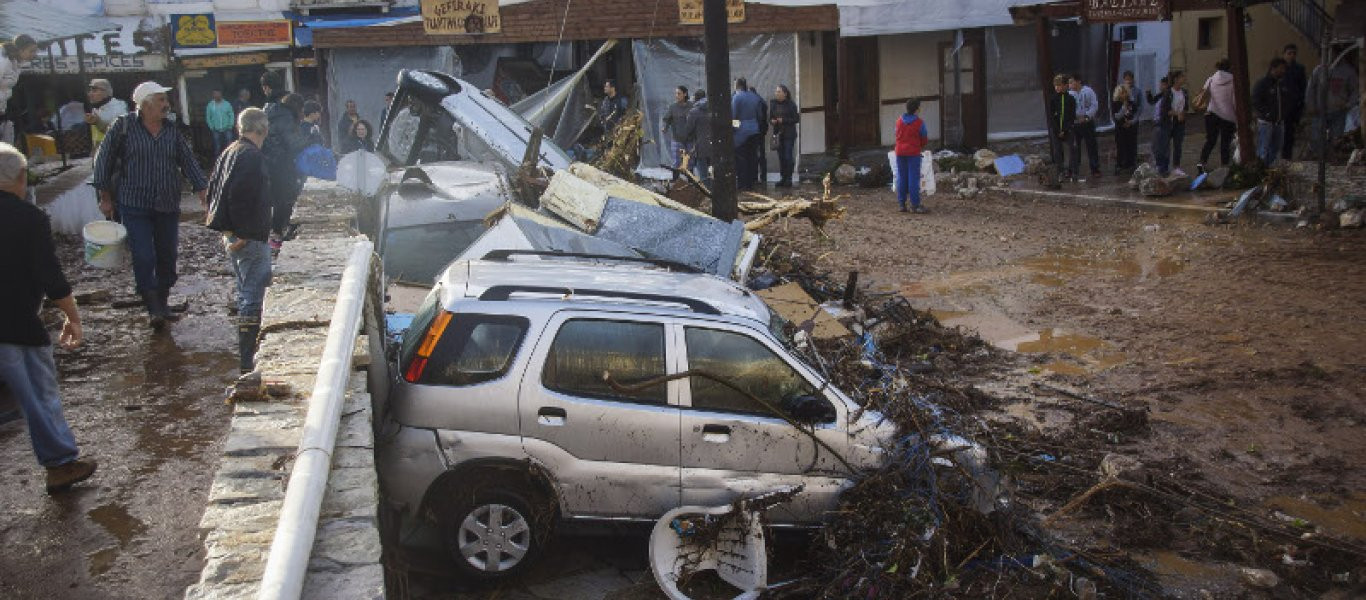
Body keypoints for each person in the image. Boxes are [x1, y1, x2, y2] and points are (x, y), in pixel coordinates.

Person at [0, 142, 98, 493]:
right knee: (40, 395)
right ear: (21, 177)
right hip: (15, 324)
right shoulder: (29, 219)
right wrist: (73, 318)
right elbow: (51, 278)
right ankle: (59, 464)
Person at [92, 81, 208, 329]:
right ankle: (153, 307)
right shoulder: (123, 127)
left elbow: (187, 160)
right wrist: (104, 196)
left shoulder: (170, 130)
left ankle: (163, 302)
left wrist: (202, 189)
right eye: (160, 100)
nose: (166, 105)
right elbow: (103, 161)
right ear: (144, 105)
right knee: (144, 255)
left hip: (167, 203)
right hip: (134, 203)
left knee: (168, 255)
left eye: (165, 100)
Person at [204, 108, 272, 373]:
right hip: (249, 237)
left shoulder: (229, 151)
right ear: (263, 130)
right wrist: (242, 233)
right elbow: (240, 196)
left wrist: (229, 232)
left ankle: (248, 358)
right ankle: (248, 361)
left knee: (246, 290)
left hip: (235, 235)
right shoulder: (251, 156)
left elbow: (212, 192)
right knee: (251, 296)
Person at [261, 83, 308, 252]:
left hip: (270, 161)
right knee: (285, 197)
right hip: (281, 162)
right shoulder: (286, 117)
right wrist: (310, 142)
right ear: (297, 107)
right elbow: (293, 143)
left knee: (278, 198)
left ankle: (276, 232)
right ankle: (277, 233)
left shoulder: (272, 113)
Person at [1305, 48, 1360, 160]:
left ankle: (1332, 157)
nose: (1331, 56)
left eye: (1334, 53)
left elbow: (1355, 90)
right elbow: (1310, 89)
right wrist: (1311, 106)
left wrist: (1348, 104)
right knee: (1317, 136)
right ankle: (1320, 157)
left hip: (1338, 111)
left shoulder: (1348, 71)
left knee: (1336, 138)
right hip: (1320, 111)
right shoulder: (1318, 70)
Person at [1198, 58, 1237, 171]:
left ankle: (1202, 162)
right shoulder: (1234, 81)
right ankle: (1224, 166)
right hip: (1228, 116)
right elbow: (1235, 101)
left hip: (1211, 113)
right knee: (1225, 142)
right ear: (1230, 67)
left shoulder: (1211, 79)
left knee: (1210, 140)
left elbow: (1203, 93)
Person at [1, 35, 39, 145]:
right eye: (31, 51)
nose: (34, 55)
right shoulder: (3, 62)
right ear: (20, 49)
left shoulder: (16, 63)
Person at [893, 99, 929, 214]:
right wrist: (919, 146)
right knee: (913, 179)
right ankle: (915, 205)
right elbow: (924, 138)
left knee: (901, 177)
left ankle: (902, 204)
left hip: (899, 152)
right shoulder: (919, 122)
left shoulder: (899, 121)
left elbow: (896, 134)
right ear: (917, 109)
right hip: (913, 153)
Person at [1253, 58, 1291, 166]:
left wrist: (1285, 113)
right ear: (1273, 68)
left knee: (1276, 148)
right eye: (1281, 68)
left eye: (1284, 69)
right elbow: (1255, 100)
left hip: (1279, 122)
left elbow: (1288, 100)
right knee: (1263, 148)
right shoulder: (1263, 84)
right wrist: (1266, 113)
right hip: (1266, 123)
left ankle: (1268, 170)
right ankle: (1260, 171)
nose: (1283, 71)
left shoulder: (1283, 84)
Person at [1152, 70, 1187, 177]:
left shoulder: (1184, 92)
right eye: (1182, 77)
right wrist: (1177, 114)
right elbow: (1165, 110)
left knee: (1178, 145)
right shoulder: (1168, 93)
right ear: (1176, 79)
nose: (1184, 78)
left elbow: (1186, 107)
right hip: (1167, 123)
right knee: (1164, 146)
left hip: (1179, 124)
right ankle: (1163, 168)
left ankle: (1176, 167)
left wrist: (1182, 114)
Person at [731, 78, 763, 191]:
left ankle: (742, 184)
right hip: (755, 130)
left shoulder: (737, 97)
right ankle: (751, 183)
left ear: (737, 85)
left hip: (741, 133)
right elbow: (760, 115)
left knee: (741, 159)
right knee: (752, 157)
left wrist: (733, 129)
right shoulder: (754, 96)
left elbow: (733, 116)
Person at [1068, 75, 1101, 180]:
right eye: (1069, 83)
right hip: (1075, 123)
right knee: (1074, 147)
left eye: (1072, 82)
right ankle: (1074, 169)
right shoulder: (1069, 94)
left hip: (1087, 122)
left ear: (1078, 82)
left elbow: (1094, 105)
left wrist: (1087, 116)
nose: (1070, 85)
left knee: (1091, 145)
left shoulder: (1088, 91)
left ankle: (1095, 168)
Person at [768, 84, 799, 188]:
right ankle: (783, 178)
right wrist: (772, 121)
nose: (776, 93)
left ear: (785, 94)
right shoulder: (773, 104)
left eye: (779, 91)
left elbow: (796, 119)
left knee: (788, 156)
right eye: (776, 91)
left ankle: (789, 178)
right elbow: (770, 117)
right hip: (778, 134)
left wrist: (784, 120)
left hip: (789, 134)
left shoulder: (791, 104)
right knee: (781, 157)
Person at [84, 78, 128, 149]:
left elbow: (119, 133)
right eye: (90, 90)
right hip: (100, 152)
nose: (90, 94)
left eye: (94, 90)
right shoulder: (97, 108)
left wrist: (97, 122)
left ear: (106, 92)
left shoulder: (118, 109)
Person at [1048, 75, 1077, 181]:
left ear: (1065, 86)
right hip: (1056, 130)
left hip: (1068, 129)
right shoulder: (1053, 99)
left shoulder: (1071, 99)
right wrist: (1057, 130)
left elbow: (1072, 116)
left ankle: (1072, 171)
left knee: (1072, 149)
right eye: (1055, 85)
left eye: (1059, 85)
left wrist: (1065, 129)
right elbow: (1051, 116)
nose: (1057, 87)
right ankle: (1060, 172)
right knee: (1057, 151)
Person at [1281, 44, 1308, 160]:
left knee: (1289, 136)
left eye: (1294, 53)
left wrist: (1300, 107)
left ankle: (1286, 159)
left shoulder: (1299, 69)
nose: (1291, 56)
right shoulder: (1279, 68)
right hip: (1279, 107)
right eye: (1289, 53)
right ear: (1284, 54)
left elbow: (1303, 89)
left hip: (1293, 109)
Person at [661, 85, 692, 179]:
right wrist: (665, 127)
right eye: (676, 93)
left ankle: (691, 184)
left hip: (690, 139)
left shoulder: (691, 106)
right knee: (676, 162)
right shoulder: (673, 107)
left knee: (689, 163)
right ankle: (675, 182)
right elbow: (667, 119)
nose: (676, 95)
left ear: (685, 94)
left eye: (679, 93)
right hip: (677, 139)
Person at [1112, 71, 1140, 173]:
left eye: (1125, 92)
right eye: (1122, 92)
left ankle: (1131, 164)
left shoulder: (1132, 102)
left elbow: (1135, 112)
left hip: (1130, 128)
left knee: (1131, 146)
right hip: (1120, 128)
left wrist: (1131, 122)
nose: (1124, 94)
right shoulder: (1116, 103)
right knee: (1121, 147)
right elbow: (1117, 116)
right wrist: (1123, 107)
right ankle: (1119, 164)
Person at [684, 89, 712, 188]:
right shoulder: (714, 108)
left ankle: (707, 195)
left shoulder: (694, 112)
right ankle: (716, 192)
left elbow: (688, 130)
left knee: (703, 174)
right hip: (715, 146)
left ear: (696, 98)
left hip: (701, 147)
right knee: (712, 172)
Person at [205, 89, 235, 157]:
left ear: (221, 94)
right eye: (215, 94)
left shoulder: (227, 104)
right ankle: (217, 160)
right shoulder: (210, 105)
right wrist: (211, 127)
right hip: (216, 129)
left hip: (227, 128)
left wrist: (230, 125)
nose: (217, 95)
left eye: (218, 94)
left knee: (229, 144)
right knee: (217, 146)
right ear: (213, 95)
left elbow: (231, 115)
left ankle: (229, 157)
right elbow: (208, 116)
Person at [752, 86, 769, 186]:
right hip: (761, 131)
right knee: (761, 154)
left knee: (755, 154)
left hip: (755, 131)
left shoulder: (756, 102)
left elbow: (759, 117)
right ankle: (763, 176)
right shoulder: (762, 101)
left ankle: (755, 177)